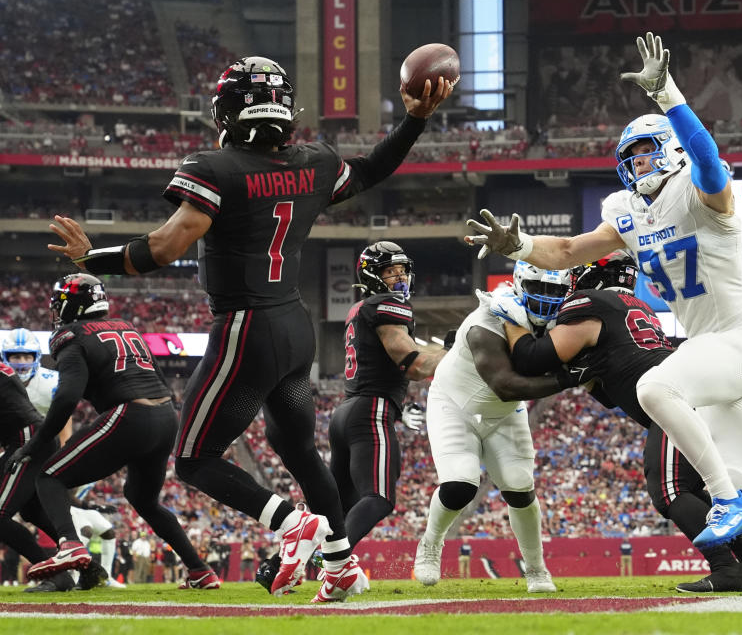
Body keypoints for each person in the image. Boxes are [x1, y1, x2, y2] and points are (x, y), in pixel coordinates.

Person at [468, 32, 742, 595]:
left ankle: (723, 502)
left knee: (654, 390)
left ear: (669, 150)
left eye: (647, 152)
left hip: (740, 337)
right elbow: (571, 252)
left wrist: (669, 96)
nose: (638, 164)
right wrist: (519, 248)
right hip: (717, 348)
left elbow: (708, 161)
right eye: (631, 158)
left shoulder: (699, 192)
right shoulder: (628, 213)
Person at [46, 56, 452, 601]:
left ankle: (292, 525)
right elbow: (374, 167)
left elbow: (165, 248)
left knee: (194, 460)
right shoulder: (314, 162)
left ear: (230, 111)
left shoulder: (216, 168)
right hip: (294, 327)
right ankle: (340, 566)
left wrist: (93, 259)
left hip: (246, 326)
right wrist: (413, 120)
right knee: (298, 449)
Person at [493, 252, 742, 593]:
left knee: (670, 491)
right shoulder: (634, 307)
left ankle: (726, 568)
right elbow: (613, 394)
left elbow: (530, 359)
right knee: (690, 490)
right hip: (690, 398)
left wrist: (510, 318)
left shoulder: (589, 303)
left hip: (676, 399)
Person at [6, 274, 219, 591]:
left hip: (129, 415)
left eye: (60, 303)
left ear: (73, 305)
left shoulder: (69, 334)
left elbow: (66, 397)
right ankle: (200, 570)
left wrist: (35, 444)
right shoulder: (126, 326)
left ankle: (70, 545)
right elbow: (158, 378)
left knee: (48, 476)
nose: (56, 310)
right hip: (164, 415)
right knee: (143, 500)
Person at [413, 262, 576, 593]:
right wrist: (572, 377)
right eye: (538, 288)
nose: (546, 298)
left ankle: (536, 569)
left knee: (520, 486)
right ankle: (431, 542)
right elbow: (505, 384)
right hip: (455, 405)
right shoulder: (485, 322)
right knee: (460, 483)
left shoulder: (562, 320)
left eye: (554, 290)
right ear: (518, 284)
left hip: (504, 413)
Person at [328, 242, 448, 552]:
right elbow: (414, 365)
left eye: (402, 271)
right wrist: (453, 352)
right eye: (390, 271)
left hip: (346, 412)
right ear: (372, 276)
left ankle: (281, 561)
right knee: (379, 498)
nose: (399, 278)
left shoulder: (359, 308)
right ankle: (329, 560)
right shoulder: (387, 304)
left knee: (338, 508)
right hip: (370, 410)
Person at [0, 350, 77, 594]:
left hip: (27, 440)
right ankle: (87, 562)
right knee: (32, 510)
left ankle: (57, 575)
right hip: (33, 437)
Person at [1, 329, 73, 446]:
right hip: (9, 445)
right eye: (16, 357)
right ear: (5, 358)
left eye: (27, 357)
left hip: (44, 447)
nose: (22, 363)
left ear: (36, 357)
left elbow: (64, 427)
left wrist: (62, 454)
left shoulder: (53, 382)